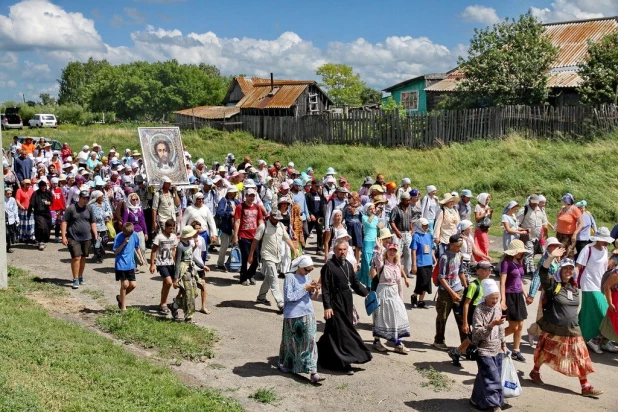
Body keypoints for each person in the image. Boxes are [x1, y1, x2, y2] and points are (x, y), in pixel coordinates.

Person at [530, 247, 603, 397]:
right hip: (553, 328)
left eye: (571, 269)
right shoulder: (553, 286)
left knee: (580, 356)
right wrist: (551, 257)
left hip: (573, 330)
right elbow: (543, 273)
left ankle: (585, 386)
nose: (568, 271)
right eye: (565, 269)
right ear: (560, 270)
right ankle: (535, 371)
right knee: (545, 352)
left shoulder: (575, 289)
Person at [317, 239, 372, 374]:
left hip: (347, 301)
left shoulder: (348, 265)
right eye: (339, 250)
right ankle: (345, 362)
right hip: (335, 303)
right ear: (334, 251)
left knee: (332, 332)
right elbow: (326, 289)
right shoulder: (328, 267)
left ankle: (320, 354)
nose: (342, 252)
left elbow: (355, 283)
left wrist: (366, 293)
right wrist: (327, 306)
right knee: (343, 332)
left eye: (344, 249)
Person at [277, 255, 324, 383]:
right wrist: (305, 288)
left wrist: (314, 290)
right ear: (299, 267)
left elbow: (309, 296)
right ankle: (288, 364)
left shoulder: (306, 277)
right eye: (306, 270)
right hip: (293, 315)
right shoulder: (289, 278)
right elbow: (289, 297)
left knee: (310, 340)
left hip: (308, 312)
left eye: (310, 270)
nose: (308, 272)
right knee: (291, 343)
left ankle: (313, 371)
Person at [576, 227, 616, 353]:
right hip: (588, 284)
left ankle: (600, 340)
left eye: (606, 240)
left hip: (600, 284)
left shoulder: (604, 250)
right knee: (603, 310)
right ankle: (593, 340)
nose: (605, 242)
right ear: (597, 239)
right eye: (603, 240)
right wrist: (572, 282)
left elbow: (605, 268)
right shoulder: (587, 249)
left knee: (588, 312)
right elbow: (578, 266)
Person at [469, 278, 507, 411]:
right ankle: (495, 404)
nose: (495, 301)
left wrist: (504, 344)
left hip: (497, 348)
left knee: (483, 376)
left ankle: (475, 399)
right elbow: (477, 333)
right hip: (483, 350)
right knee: (492, 378)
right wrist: (491, 325)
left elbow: (501, 328)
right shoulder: (479, 310)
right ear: (485, 296)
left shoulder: (497, 307)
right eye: (492, 298)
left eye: (497, 298)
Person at [449, 261, 494, 367]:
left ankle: (457, 352)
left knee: (475, 337)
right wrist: (465, 323)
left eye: (489, 270)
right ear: (479, 271)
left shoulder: (488, 284)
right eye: (486, 270)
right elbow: (466, 304)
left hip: (484, 315)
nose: (489, 272)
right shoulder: (474, 286)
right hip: (474, 316)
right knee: (477, 336)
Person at [250, 210, 297, 312]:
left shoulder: (280, 226)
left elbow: (287, 238)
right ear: (270, 217)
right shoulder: (263, 226)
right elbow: (255, 241)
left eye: (278, 219)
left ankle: (261, 297)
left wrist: (294, 250)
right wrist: (251, 255)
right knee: (274, 278)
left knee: (269, 277)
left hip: (277, 257)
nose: (277, 220)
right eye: (275, 218)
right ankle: (281, 303)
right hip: (267, 257)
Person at [370, 243, 411, 354]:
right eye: (390, 250)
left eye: (394, 250)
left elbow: (399, 283)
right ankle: (377, 341)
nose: (392, 252)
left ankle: (398, 342)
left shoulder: (397, 265)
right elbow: (378, 260)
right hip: (383, 291)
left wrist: (401, 299)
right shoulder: (382, 264)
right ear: (386, 252)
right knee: (381, 316)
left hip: (394, 293)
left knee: (397, 315)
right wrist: (380, 248)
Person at [526, 237, 562, 347]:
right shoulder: (544, 260)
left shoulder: (557, 258)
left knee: (555, 315)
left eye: (558, 246)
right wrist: (531, 295)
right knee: (544, 315)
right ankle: (533, 332)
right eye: (554, 245)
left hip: (556, 289)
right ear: (549, 247)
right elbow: (537, 276)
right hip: (547, 291)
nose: (557, 247)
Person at [433, 234, 467, 350]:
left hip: (458, 289)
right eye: (458, 246)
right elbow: (441, 278)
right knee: (442, 317)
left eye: (461, 246)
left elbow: (461, 271)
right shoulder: (444, 257)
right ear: (451, 244)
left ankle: (465, 344)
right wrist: (452, 293)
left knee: (462, 318)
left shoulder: (459, 255)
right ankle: (439, 340)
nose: (459, 248)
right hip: (445, 292)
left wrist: (465, 286)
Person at [61, 190, 98, 289]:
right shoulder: (71, 209)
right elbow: (64, 222)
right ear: (79, 198)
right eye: (84, 198)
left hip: (87, 237)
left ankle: (80, 275)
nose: (85, 200)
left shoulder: (89, 209)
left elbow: (93, 222)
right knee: (76, 257)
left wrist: (96, 235)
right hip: (73, 237)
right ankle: (75, 278)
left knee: (83, 258)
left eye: (87, 198)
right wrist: (63, 236)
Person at [169, 225, 206, 322]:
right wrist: (176, 279)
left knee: (194, 293)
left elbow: (191, 256)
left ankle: (175, 305)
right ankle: (188, 317)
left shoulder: (190, 243)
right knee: (189, 295)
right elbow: (177, 263)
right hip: (184, 271)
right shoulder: (180, 246)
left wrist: (201, 266)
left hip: (191, 269)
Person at [500, 239, 528, 362]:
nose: (521, 253)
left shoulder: (519, 262)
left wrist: (525, 293)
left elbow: (519, 280)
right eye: (519, 251)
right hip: (510, 295)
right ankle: (493, 340)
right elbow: (502, 282)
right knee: (513, 327)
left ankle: (516, 350)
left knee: (520, 325)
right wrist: (503, 299)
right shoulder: (506, 263)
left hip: (518, 295)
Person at [233, 188, 264, 285]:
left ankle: (250, 275)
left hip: (255, 237)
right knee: (246, 257)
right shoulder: (240, 207)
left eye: (253, 196)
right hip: (243, 235)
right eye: (250, 195)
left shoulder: (257, 207)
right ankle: (243, 278)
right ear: (246, 196)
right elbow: (237, 221)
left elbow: (260, 220)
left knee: (256, 258)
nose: (251, 198)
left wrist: (262, 231)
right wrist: (235, 236)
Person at [112, 222, 145, 310]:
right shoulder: (118, 237)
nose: (127, 235)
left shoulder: (134, 235)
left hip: (131, 264)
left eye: (129, 234)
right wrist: (123, 243)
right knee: (125, 285)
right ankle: (123, 307)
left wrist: (141, 258)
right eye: (125, 233)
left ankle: (120, 298)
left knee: (133, 285)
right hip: (121, 264)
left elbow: (137, 247)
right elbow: (115, 252)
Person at [150, 219, 178, 314]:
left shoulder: (174, 237)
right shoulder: (159, 237)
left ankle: (162, 303)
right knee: (169, 282)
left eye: (173, 228)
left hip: (170, 263)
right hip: (161, 263)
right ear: (165, 227)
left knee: (167, 284)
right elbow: (153, 250)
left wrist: (176, 262)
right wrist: (152, 264)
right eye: (170, 228)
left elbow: (174, 250)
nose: (171, 230)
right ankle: (164, 303)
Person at [181, 192, 218, 263]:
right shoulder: (189, 209)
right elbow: (183, 222)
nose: (201, 200)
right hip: (192, 235)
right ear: (195, 199)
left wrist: (214, 234)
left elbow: (211, 222)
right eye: (199, 199)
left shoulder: (206, 208)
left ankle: (202, 267)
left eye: (202, 199)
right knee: (192, 251)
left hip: (203, 234)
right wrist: (182, 235)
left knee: (203, 252)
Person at [518, 194, 548, 276]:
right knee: (530, 252)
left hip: (537, 236)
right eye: (533, 202)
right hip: (527, 236)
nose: (535, 204)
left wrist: (545, 233)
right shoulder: (524, 210)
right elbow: (517, 224)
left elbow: (544, 222)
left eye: (536, 202)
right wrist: (523, 230)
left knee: (532, 253)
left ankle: (525, 268)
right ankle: (531, 271)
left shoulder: (541, 210)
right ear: (529, 201)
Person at [410, 218, 435, 308]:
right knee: (422, 282)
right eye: (424, 225)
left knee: (427, 283)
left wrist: (434, 258)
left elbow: (431, 248)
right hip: (420, 263)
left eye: (427, 225)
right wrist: (414, 265)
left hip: (428, 262)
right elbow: (413, 251)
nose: (426, 227)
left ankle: (421, 300)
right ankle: (414, 295)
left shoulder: (428, 235)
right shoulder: (416, 236)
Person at [390, 192, 415, 275]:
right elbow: (392, 221)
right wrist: (396, 231)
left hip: (407, 233)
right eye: (406, 200)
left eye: (409, 200)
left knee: (408, 253)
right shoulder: (396, 209)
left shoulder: (410, 208)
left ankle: (407, 272)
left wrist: (412, 229)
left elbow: (410, 220)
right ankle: (395, 271)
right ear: (402, 200)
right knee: (397, 253)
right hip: (398, 233)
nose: (408, 202)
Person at [359, 203, 382, 288]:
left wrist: (380, 227)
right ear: (366, 210)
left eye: (373, 208)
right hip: (368, 242)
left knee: (374, 263)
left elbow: (379, 227)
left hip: (375, 242)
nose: (372, 210)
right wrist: (374, 214)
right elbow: (368, 223)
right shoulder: (364, 217)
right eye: (370, 209)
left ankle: (372, 281)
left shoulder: (376, 218)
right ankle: (368, 284)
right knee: (367, 263)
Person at [215, 186, 238, 270]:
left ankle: (233, 263)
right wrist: (230, 213)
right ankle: (220, 263)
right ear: (229, 193)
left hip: (235, 228)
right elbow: (219, 211)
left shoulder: (236, 201)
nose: (235, 193)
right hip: (225, 227)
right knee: (224, 247)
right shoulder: (223, 201)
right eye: (234, 192)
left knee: (235, 247)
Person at [556, 193, 584, 259]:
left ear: (567, 201)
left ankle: (567, 268)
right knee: (558, 253)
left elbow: (581, 223)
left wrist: (575, 234)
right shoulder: (563, 209)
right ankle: (559, 268)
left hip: (568, 236)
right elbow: (558, 218)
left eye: (563, 200)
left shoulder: (575, 209)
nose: (562, 201)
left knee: (567, 254)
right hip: (559, 235)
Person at [434, 193, 461, 258]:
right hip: (445, 237)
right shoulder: (442, 211)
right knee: (444, 257)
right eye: (449, 201)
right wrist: (436, 237)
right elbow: (438, 224)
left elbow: (458, 223)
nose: (451, 203)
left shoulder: (455, 210)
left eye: (452, 201)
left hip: (454, 237)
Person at [28, 180, 53, 251]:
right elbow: (31, 203)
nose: (44, 188)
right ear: (39, 187)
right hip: (38, 213)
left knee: (48, 227)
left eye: (45, 187)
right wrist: (29, 213)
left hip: (46, 213)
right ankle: (40, 241)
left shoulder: (48, 193)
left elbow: (51, 201)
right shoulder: (36, 193)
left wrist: (49, 203)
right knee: (41, 227)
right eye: (42, 187)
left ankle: (44, 240)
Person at [90, 190, 112, 263]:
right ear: (97, 197)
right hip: (96, 227)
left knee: (105, 240)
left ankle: (101, 250)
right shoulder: (92, 206)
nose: (103, 197)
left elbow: (106, 211)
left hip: (103, 226)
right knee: (97, 242)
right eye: (101, 196)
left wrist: (108, 216)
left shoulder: (104, 204)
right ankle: (98, 257)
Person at [305, 179, 326, 255]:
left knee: (320, 232)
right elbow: (306, 206)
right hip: (311, 215)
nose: (318, 187)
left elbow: (323, 203)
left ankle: (319, 249)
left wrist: (321, 194)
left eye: (319, 186)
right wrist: (310, 214)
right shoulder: (307, 195)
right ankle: (303, 246)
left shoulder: (319, 194)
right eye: (316, 186)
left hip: (318, 216)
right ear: (312, 185)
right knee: (306, 232)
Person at [15, 179, 35, 244]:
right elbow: (17, 200)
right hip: (22, 210)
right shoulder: (19, 190)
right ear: (23, 184)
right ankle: (22, 237)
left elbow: (34, 199)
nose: (28, 185)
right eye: (26, 184)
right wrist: (20, 206)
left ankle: (31, 237)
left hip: (31, 210)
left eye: (29, 184)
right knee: (23, 224)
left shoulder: (32, 190)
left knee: (30, 224)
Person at [4, 186, 19, 253]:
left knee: (10, 234)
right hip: (5, 219)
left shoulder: (12, 199)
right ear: (5, 193)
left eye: (10, 193)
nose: (9, 195)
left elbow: (15, 209)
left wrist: (17, 218)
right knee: (6, 234)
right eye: (8, 193)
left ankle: (9, 247)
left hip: (11, 219)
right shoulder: (3, 199)